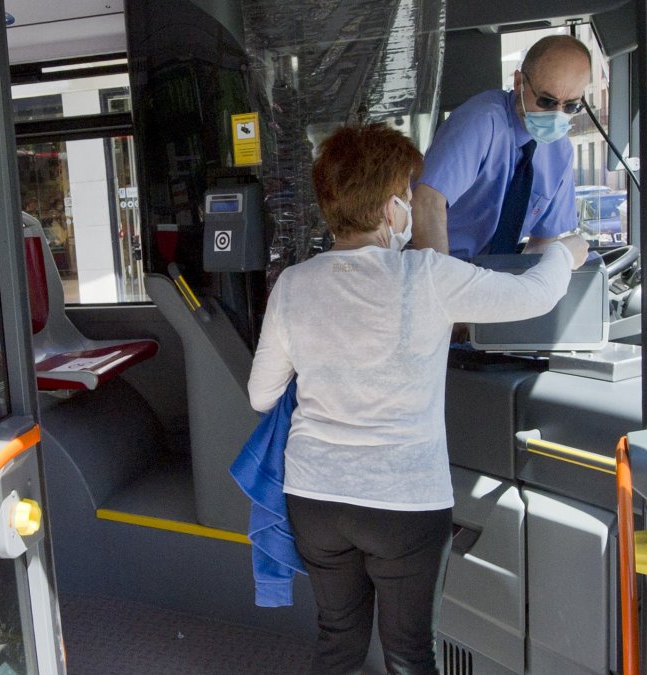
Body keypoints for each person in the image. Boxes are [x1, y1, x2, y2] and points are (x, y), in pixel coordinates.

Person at [247, 123, 588, 674]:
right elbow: (534, 294)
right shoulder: (426, 275)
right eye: (406, 195)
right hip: (403, 503)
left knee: (338, 642)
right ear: (389, 208)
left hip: (315, 497)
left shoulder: (292, 284)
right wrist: (566, 254)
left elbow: (263, 396)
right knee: (409, 654)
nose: (409, 206)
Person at [412, 35, 593, 259]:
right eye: (546, 101)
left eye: (571, 106)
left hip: (489, 276)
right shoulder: (481, 121)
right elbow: (428, 201)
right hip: (436, 265)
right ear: (519, 83)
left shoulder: (560, 152)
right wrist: (444, 284)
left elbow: (543, 241)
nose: (557, 114)